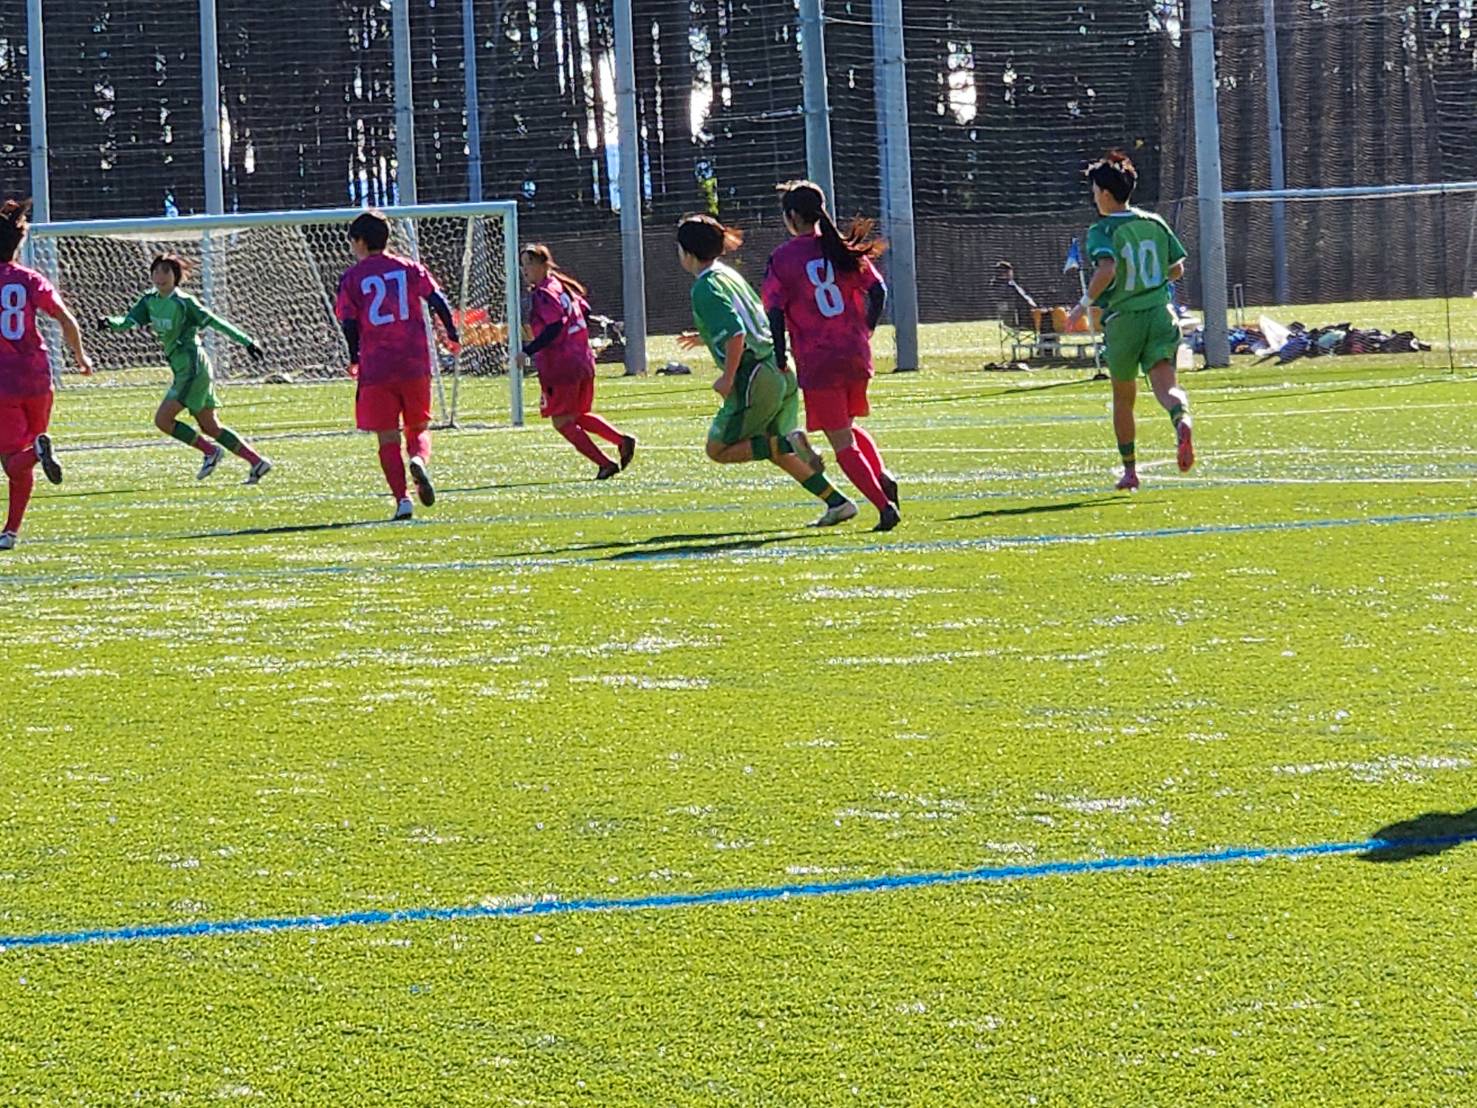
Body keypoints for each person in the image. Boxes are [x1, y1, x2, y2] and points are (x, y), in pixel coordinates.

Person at [674, 214, 856, 527]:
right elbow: (751, 321)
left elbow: (736, 334)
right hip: (780, 365)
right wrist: (704, 336)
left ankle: (791, 442)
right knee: (769, 447)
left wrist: (727, 378)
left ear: (686, 252)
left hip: (755, 375)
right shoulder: (727, 274)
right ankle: (838, 503)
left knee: (718, 449)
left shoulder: (705, 286)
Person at [761, 180, 900, 531]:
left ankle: (884, 507)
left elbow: (774, 311)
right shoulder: (840, 248)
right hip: (855, 353)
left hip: (819, 359)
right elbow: (879, 291)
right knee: (846, 426)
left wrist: (780, 354)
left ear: (793, 216)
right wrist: (866, 328)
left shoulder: (783, 257)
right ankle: (882, 475)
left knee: (841, 442)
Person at [1066, 150, 1195, 491]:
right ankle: (1182, 420)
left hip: (1124, 320)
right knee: (1167, 387)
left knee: (1124, 398)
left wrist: (1082, 305)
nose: (1094, 197)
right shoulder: (1154, 223)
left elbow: (1107, 269)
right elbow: (1177, 268)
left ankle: (1130, 471)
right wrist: (1149, 279)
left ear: (1106, 194)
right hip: (1161, 314)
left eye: (1095, 191)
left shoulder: (1102, 230)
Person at [99, 253, 272, 484]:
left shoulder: (184, 302)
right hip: (184, 368)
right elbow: (128, 322)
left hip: (193, 368)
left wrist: (247, 341)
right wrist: (110, 322)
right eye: (156, 271)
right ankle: (257, 462)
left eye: (166, 271)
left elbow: (215, 321)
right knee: (210, 426)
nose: (160, 276)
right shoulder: (149, 300)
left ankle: (211, 452)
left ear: (176, 276)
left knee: (163, 420)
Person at [335, 209, 460, 520]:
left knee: (387, 436)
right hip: (414, 362)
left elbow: (349, 323)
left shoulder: (352, 278)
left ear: (360, 242)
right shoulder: (409, 268)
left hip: (377, 366)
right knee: (417, 428)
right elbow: (438, 300)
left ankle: (403, 500)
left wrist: (354, 357)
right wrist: (452, 332)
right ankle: (418, 459)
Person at [0, 199, 94, 550]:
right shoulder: (30, 279)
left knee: (13, 461)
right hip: (39, 377)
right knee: (23, 455)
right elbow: (65, 319)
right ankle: (10, 532)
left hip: (3, 383)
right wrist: (80, 356)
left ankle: (37, 456)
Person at [514, 244, 635, 479]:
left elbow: (555, 325)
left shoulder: (544, 293)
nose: (525, 269)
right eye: (523, 264)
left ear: (544, 265)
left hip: (562, 366)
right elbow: (585, 310)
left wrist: (528, 350)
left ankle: (605, 463)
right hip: (582, 359)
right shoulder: (561, 286)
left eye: (529, 263)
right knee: (577, 415)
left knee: (561, 421)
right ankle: (621, 440)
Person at [992, 260, 1040, 332]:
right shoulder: (1003, 286)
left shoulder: (1009, 283)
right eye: (1010, 271)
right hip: (1020, 317)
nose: (1012, 274)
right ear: (1005, 273)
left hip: (1017, 314)